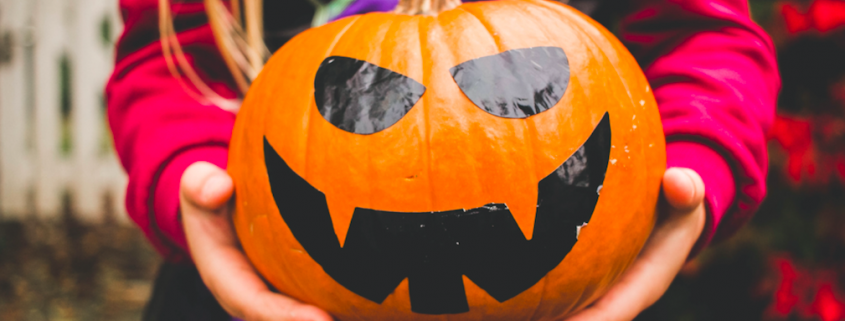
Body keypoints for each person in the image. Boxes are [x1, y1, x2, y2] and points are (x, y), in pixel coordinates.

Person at [106, 0, 780, 320]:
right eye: (359, 96)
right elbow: (170, 59)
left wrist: (692, 166)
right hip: (247, 284)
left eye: (517, 86)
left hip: (585, 290)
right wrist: (192, 182)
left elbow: (701, 38)